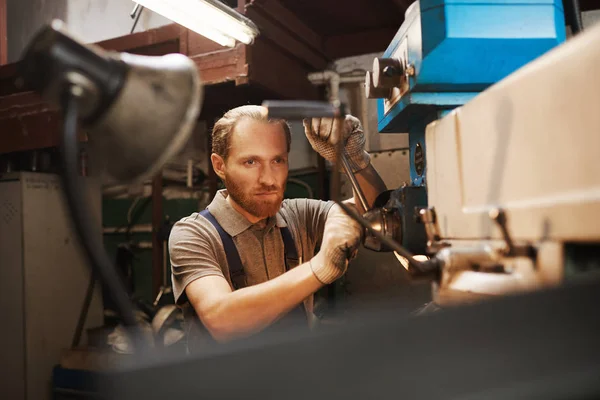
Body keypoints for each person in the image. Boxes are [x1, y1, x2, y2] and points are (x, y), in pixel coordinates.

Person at [169, 105, 387, 351]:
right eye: (251, 162)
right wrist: (320, 267)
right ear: (220, 166)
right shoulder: (193, 234)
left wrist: (356, 161)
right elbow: (222, 320)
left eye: (277, 160)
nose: (269, 179)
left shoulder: (298, 215)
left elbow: (377, 212)